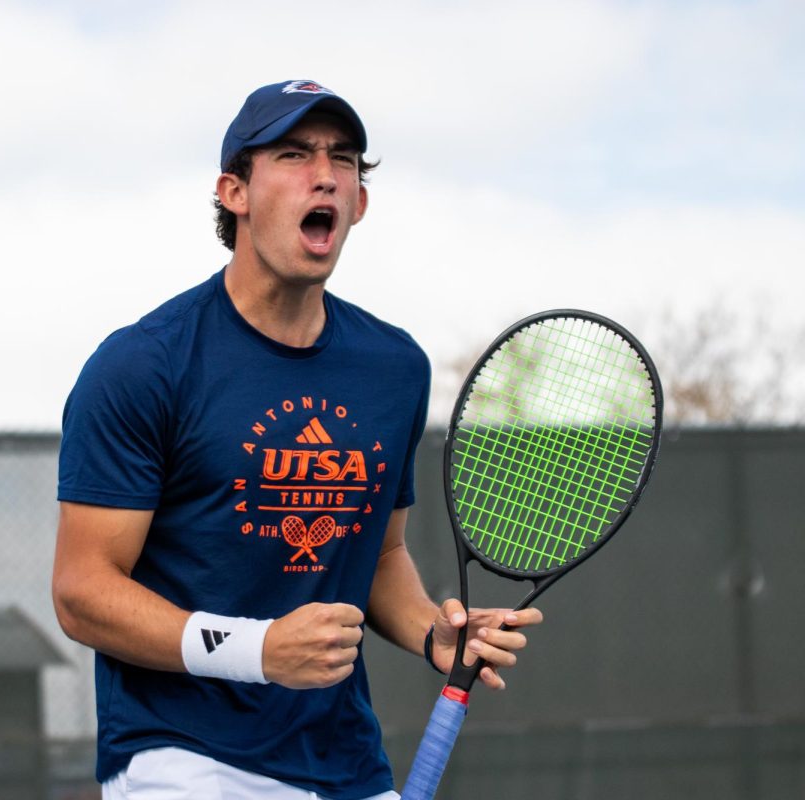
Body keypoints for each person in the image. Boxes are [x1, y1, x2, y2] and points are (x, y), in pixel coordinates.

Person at [52, 79, 543, 800]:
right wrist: (258, 650)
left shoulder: (394, 368)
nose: (324, 174)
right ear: (234, 192)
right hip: (184, 761)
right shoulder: (144, 364)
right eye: (292, 153)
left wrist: (434, 634)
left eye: (343, 159)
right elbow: (82, 593)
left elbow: (379, 554)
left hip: (345, 765)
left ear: (359, 203)